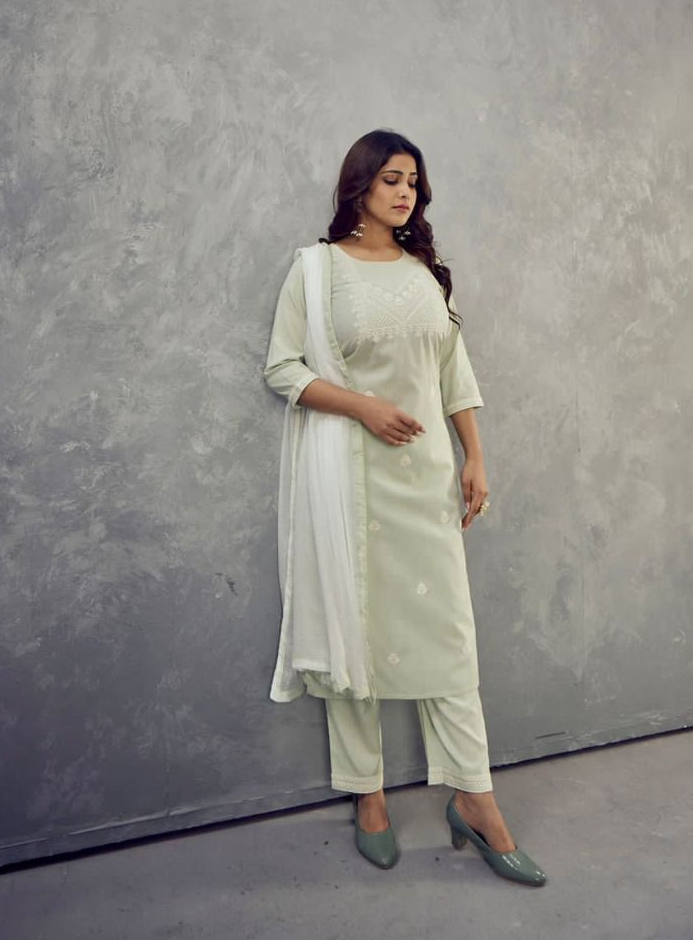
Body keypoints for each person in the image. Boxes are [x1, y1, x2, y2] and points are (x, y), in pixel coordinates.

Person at [262, 128, 547, 886]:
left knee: (448, 637)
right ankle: (369, 793)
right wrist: (362, 407)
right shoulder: (316, 271)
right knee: (354, 628)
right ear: (359, 185)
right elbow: (282, 367)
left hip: (425, 480)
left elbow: (455, 372)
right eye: (391, 178)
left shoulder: (424, 272)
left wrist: (474, 456)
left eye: (413, 182)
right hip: (350, 483)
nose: (405, 193)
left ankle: (475, 798)